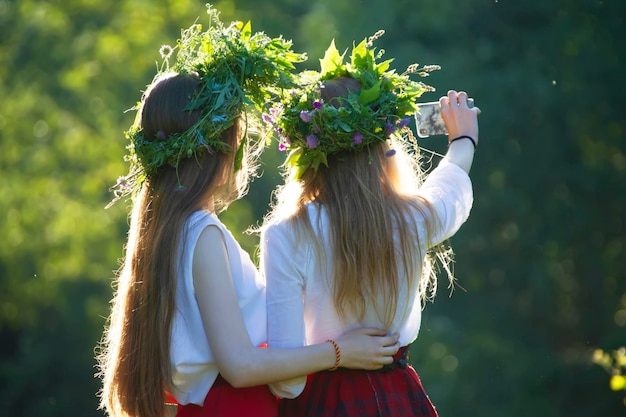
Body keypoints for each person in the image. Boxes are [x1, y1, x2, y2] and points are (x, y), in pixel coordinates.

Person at [96, 10, 400, 417]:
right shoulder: (200, 233)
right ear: (218, 150)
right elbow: (239, 366)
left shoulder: (169, 229)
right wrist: (339, 351)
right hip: (236, 407)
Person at [260, 33, 480, 417]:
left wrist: (335, 354)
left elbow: (288, 381)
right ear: (382, 147)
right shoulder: (412, 218)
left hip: (322, 401)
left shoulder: (286, 233)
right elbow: (450, 187)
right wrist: (463, 138)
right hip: (399, 395)